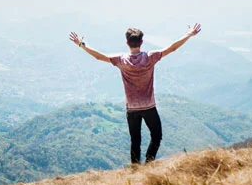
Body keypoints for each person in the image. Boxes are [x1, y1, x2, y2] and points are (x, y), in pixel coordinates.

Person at [68, 24, 202, 166]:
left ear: (127, 43)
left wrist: (81, 45)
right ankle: (149, 163)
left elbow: (99, 57)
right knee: (156, 136)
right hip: (149, 106)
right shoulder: (150, 57)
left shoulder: (121, 60)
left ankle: (135, 170)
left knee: (135, 141)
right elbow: (172, 48)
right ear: (141, 42)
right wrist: (189, 34)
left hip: (131, 108)